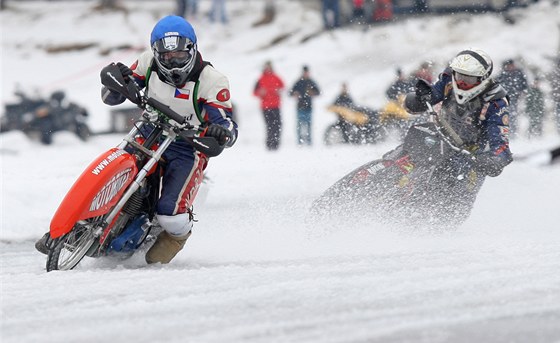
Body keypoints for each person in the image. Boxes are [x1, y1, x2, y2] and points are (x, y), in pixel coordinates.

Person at [35, 16, 238, 265]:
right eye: (166, 56)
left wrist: (220, 131)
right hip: (148, 130)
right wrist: (119, 80)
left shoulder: (212, 81)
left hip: (187, 144)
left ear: (192, 49)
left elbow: (226, 122)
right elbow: (113, 96)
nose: (172, 62)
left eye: (179, 56)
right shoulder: (148, 62)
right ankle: (69, 225)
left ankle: (178, 236)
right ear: (156, 53)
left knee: (170, 214)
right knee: (112, 168)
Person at [404, 48, 513, 219]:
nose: (461, 81)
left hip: (469, 154)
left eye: (468, 78)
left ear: (482, 78)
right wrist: (420, 98)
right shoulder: (448, 79)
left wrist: (494, 160)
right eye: (459, 75)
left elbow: (501, 145)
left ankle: (438, 224)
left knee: (457, 202)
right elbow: (432, 97)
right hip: (438, 134)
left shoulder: (496, 103)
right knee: (404, 151)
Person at [253, 61, 284, 150]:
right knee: (269, 125)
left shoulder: (276, 77)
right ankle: (269, 144)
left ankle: (276, 144)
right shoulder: (260, 79)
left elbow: (283, 87)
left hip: (275, 105)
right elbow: (254, 92)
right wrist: (260, 93)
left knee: (277, 125)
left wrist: (279, 91)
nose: (268, 69)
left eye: (269, 67)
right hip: (265, 106)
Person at [289, 65, 321, 146]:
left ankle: (309, 142)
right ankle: (299, 142)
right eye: (305, 72)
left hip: (308, 108)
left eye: (307, 72)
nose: (306, 74)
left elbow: (318, 92)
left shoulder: (311, 82)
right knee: (299, 126)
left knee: (309, 126)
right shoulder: (298, 82)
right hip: (300, 107)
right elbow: (290, 93)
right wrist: (294, 93)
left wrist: (313, 93)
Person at [496, 59, 528, 137]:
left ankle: (513, 132)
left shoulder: (518, 73)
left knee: (513, 115)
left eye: (512, 65)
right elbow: (497, 85)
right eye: (509, 66)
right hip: (504, 98)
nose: (511, 67)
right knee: (504, 115)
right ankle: (505, 132)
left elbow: (524, 84)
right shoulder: (502, 75)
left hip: (514, 98)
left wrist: (522, 91)